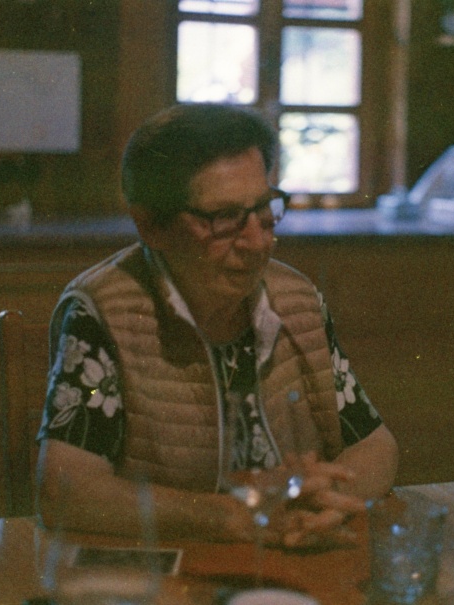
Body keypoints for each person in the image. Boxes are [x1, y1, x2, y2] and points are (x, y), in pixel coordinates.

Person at [34, 103, 399, 549]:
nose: (258, 242)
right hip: (167, 569)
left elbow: (375, 446)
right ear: (150, 225)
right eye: (224, 219)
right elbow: (64, 489)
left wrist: (326, 501)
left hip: (288, 561)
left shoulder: (297, 301)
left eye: (264, 209)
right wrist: (231, 517)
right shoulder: (103, 313)